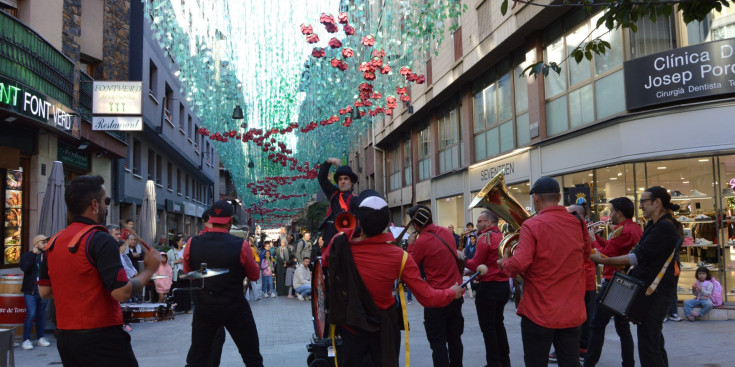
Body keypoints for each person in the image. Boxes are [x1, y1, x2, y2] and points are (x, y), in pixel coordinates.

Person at [323, 190, 464, 367]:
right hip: (385, 331)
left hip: (352, 326)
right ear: (385, 224)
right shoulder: (400, 256)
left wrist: (351, 232)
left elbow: (327, 260)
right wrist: (451, 293)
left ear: (359, 221)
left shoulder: (340, 242)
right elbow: (427, 296)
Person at [38, 175, 162, 366]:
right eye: (106, 201)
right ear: (94, 205)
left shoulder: (54, 241)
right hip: (101, 336)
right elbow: (122, 292)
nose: (107, 207)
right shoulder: (99, 239)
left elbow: (45, 292)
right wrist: (149, 269)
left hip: (66, 338)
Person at [498, 176, 587, 367]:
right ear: (560, 197)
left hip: (539, 310)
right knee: (570, 361)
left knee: (536, 362)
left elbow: (520, 263)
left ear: (536, 198)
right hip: (572, 310)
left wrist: (505, 263)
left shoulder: (532, 225)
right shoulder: (577, 222)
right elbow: (586, 255)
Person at [590, 186, 682, 367]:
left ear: (657, 203)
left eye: (643, 201)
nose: (640, 206)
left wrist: (603, 260)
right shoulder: (653, 224)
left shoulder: (663, 226)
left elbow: (637, 257)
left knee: (648, 342)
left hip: (655, 291)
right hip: (646, 288)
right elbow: (636, 253)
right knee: (651, 339)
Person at [183, 200, 263, 367]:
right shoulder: (241, 245)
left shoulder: (191, 243)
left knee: (197, 357)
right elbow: (254, 276)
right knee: (251, 356)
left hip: (205, 307)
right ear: (230, 221)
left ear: (210, 219)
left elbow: (189, 274)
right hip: (234, 306)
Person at [583, 197, 641, 367]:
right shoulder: (634, 228)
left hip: (614, 281)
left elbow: (606, 255)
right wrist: (597, 238)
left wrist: (592, 239)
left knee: (597, 324)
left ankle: (589, 363)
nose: (610, 214)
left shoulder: (622, 231)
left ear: (619, 213)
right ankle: (628, 363)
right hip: (623, 281)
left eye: (612, 211)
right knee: (623, 328)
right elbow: (611, 248)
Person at [406, 204, 464, 367]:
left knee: (438, 344)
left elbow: (410, 265)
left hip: (437, 297)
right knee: (454, 339)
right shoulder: (446, 232)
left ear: (416, 224)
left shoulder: (422, 241)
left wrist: (411, 244)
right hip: (456, 292)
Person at [464, 210, 511, 367]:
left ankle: (493, 362)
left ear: (488, 223)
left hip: (489, 286)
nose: (477, 224)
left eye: (479, 221)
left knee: (488, 328)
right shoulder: (503, 237)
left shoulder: (485, 238)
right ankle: (504, 360)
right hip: (503, 285)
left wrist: (461, 257)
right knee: (499, 324)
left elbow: (475, 264)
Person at [550, 203, 596, 363]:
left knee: (580, 317)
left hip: (584, 278)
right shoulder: (575, 228)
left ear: (577, 214)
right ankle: (579, 349)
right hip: (578, 278)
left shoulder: (578, 229)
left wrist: (594, 239)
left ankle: (580, 349)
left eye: (569, 213)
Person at [19, 234, 51, 350]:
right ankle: (26, 340)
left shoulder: (47, 255)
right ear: (36, 244)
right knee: (31, 314)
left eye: (46, 242)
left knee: (41, 315)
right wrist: (33, 255)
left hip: (43, 290)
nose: (46, 244)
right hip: (31, 290)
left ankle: (40, 337)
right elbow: (25, 268)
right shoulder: (27, 255)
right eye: (43, 242)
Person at [318, 157, 359, 244]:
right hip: (333, 242)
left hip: (350, 242)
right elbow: (322, 178)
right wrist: (328, 161)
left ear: (352, 182)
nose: (342, 181)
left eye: (346, 179)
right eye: (340, 179)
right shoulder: (333, 195)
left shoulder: (357, 201)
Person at [463, 233, 478, 298]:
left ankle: (474, 290)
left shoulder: (476, 246)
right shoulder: (468, 246)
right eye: (471, 239)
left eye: (473, 239)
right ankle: (469, 291)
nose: (472, 240)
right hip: (468, 262)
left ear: (475, 239)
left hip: (474, 262)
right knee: (467, 277)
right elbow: (466, 254)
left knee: (474, 277)